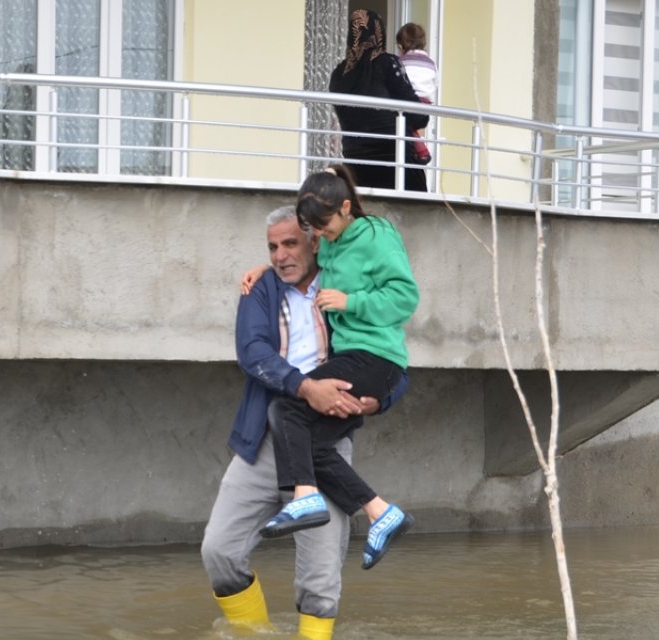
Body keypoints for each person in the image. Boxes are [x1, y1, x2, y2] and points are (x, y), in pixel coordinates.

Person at [201, 205, 407, 640]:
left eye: (290, 243)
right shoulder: (260, 290)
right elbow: (253, 353)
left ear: (317, 241)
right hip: (262, 442)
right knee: (219, 552)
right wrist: (305, 387)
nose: (280, 255)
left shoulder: (348, 286)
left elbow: (390, 358)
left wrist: (377, 402)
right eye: (272, 247)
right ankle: (250, 634)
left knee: (320, 581)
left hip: (323, 448)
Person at [241, 165, 418, 571]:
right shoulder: (330, 239)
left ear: (345, 207)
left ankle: (305, 498)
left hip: (375, 356)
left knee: (287, 408)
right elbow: (300, 258)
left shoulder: (376, 235)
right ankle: (380, 512)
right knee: (308, 439)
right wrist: (265, 269)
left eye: (325, 226)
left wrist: (350, 302)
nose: (321, 235)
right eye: (314, 229)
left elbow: (406, 297)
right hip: (354, 356)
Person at [329, 9, 429, 192]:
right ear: (379, 32)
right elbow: (419, 116)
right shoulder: (387, 63)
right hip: (396, 162)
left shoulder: (339, 74)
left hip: (355, 165)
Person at [396, 22, 438, 166]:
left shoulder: (401, 62)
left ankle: (422, 152)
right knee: (408, 126)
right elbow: (435, 83)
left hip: (411, 101)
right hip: (425, 105)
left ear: (401, 46)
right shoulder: (431, 63)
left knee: (399, 120)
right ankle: (417, 152)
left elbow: (398, 83)